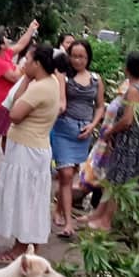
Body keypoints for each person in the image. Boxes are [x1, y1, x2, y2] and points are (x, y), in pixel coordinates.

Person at [0, 45, 61, 263]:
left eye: (27, 60)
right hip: (34, 148)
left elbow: (15, 113)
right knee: (32, 199)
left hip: (27, 151)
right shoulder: (50, 82)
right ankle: (30, 245)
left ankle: (19, 248)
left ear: (38, 64)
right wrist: (27, 79)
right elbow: (15, 102)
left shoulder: (40, 88)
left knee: (23, 198)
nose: (23, 64)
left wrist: (27, 82)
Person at [83, 52, 139, 232]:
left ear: (127, 69)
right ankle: (97, 214)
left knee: (119, 182)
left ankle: (106, 220)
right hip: (133, 141)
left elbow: (127, 119)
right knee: (112, 178)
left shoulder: (134, 90)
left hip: (129, 142)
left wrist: (110, 131)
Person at [51, 40, 105, 238]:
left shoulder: (96, 79)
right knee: (65, 174)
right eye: (74, 56)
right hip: (64, 129)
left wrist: (93, 125)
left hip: (83, 132)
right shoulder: (63, 77)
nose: (77, 60)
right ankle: (68, 223)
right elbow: (59, 102)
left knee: (71, 173)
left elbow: (100, 106)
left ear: (88, 57)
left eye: (82, 56)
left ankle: (59, 208)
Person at [0, 22, 38, 176]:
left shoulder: (5, 54)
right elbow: (14, 77)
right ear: (1, 45)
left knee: (8, 135)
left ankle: (10, 163)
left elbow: (21, 45)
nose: (8, 40)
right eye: (5, 39)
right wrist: (26, 67)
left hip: (11, 102)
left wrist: (30, 29)